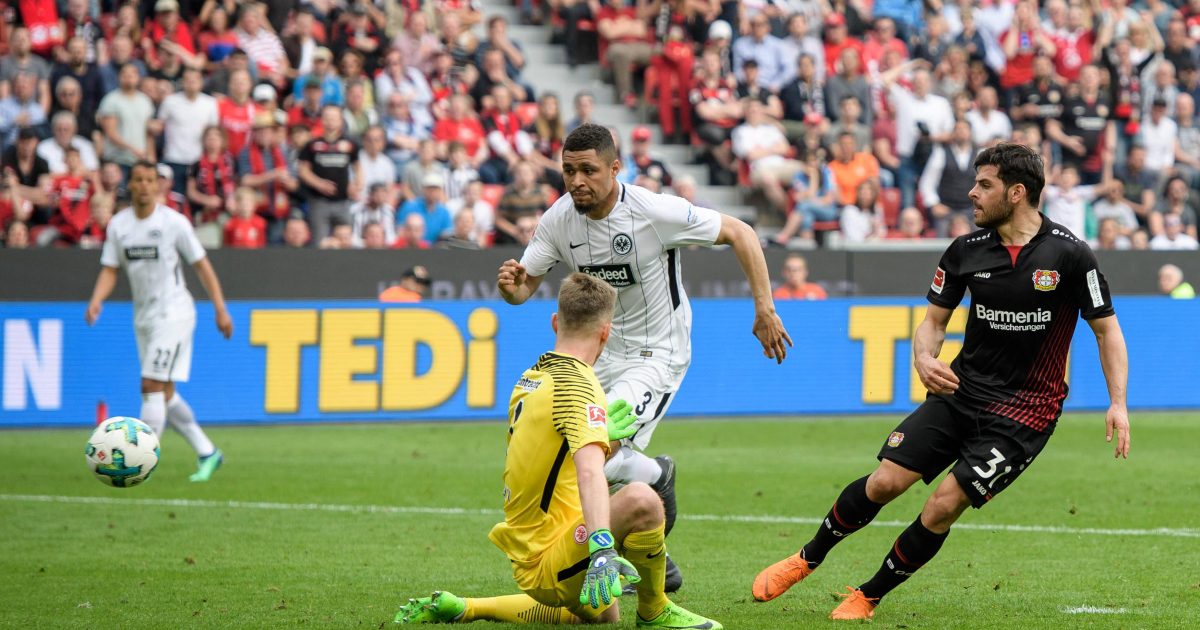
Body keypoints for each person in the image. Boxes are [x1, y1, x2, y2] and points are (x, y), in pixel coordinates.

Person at [751, 143, 1130, 620]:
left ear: (1017, 193)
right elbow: (933, 321)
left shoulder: (1072, 255)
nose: (971, 193)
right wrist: (923, 356)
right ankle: (806, 558)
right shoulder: (965, 250)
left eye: (984, 185)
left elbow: (1107, 330)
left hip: (1023, 415)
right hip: (959, 392)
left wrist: (1118, 402)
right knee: (885, 482)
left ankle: (868, 596)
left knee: (941, 507)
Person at [497, 123, 793, 592]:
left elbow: (741, 232)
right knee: (584, 459)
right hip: (599, 353)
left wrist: (764, 308)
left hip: (658, 352)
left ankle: (641, 508)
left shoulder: (654, 211)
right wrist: (512, 288)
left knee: (597, 456)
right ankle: (655, 508)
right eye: (568, 171)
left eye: (588, 171)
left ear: (615, 168)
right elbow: (524, 287)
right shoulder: (558, 219)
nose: (577, 181)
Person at [396, 272, 722, 629]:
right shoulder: (580, 386)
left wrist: (603, 439)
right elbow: (588, 471)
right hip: (550, 560)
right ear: (605, 333)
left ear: (555, 322)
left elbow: (553, 460)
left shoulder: (532, 377)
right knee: (643, 499)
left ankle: (466, 607)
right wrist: (601, 547)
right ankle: (655, 610)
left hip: (534, 549)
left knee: (603, 613)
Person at [85, 161, 233, 482]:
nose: (144, 185)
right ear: (131, 184)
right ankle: (208, 452)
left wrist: (221, 308)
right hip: (144, 316)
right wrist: (97, 300)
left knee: (149, 384)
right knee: (164, 392)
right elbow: (110, 268)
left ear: (158, 185)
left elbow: (201, 265)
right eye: (138, 180)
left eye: (150, 180)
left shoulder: (174, 223)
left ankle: (138, 462)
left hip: (174, 312)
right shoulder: (118, 226)